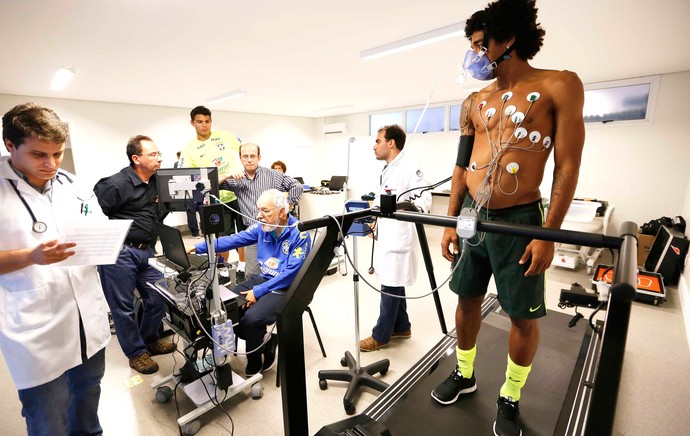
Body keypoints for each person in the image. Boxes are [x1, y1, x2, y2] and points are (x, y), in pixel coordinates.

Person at [430, 1, 585, 435]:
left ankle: (510, 395)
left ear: (508, 40)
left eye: (481, 45)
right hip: (471, 218)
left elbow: (567, 166)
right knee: (465, 299)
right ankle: (465, 373)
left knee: (521, 315)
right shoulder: (474, 101)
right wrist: (450, 219)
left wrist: (547, 233)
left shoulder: (560, 85)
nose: (475, 55)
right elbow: (460, 166)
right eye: (472, 46)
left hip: (519, 220)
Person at [0, 103, 111, 435]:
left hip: (86, 319)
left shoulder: (74, 185)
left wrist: (104, 243)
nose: (51, 164)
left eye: (58, 154)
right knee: (48, 417)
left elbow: (98, 227)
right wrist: (29, 256)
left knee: (89, 399)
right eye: (39, 155)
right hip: (35, 328)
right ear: (10, 146)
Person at [191, 189, 311, 375]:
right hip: (264, 279)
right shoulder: (262, 228)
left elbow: (290, 274)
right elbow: (234, 240)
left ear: (282, 211)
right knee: (227, 307)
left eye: (265, 211)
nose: (259, 215)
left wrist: (258, 291)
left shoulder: (299, 234)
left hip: (288, 288)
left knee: (251, 319)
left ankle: (255, 359)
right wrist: (199, 248)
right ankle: (265, 340)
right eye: (258, 210)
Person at [94, 135, 175, 375]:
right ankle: (136, 353)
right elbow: (93, 216)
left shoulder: (156, 181)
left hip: (147, 251)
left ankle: (150, 340)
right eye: (153, 154)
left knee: (157, 298)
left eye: (159, 153)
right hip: (120, 253)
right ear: (136, 158)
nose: (159, 158)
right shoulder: (115, 184)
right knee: (123, 307)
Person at [359, 125, 430, 352]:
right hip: (388, 235)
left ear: (391, 143)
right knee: (394, 280)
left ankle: (381, 335)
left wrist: (405, 208)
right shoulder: (389, 168)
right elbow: (384, 200)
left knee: (389, 283)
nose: (374, 146)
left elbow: (424, 200)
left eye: (378, 141)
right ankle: (402, 325)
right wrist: (375, 219)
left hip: (400, 237)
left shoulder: (409, 168)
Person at [221, 143, 303, 277]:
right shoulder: (236, 180)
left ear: (259, 157)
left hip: (275, 231)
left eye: (252, 156)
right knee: (251, 273)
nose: (249, 160)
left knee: (277, 271)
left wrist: (285, 208)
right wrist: (227, 174)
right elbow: (211, 184)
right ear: (240, 159)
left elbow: (297, 186)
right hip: (254, 234)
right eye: (245, 156)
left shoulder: (273, 175)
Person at [180, 105, 245, 249]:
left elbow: (245, 151)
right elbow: (188, 178)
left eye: (207, 121)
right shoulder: (189, 149)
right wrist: (221, 176)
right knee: (222, 239)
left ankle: (242, 266)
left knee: (244, 235)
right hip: (215, 199)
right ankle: (224, 270)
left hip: (238, 194)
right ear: (192, 123)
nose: (204, 125)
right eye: (200, 122)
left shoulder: (226, 136)